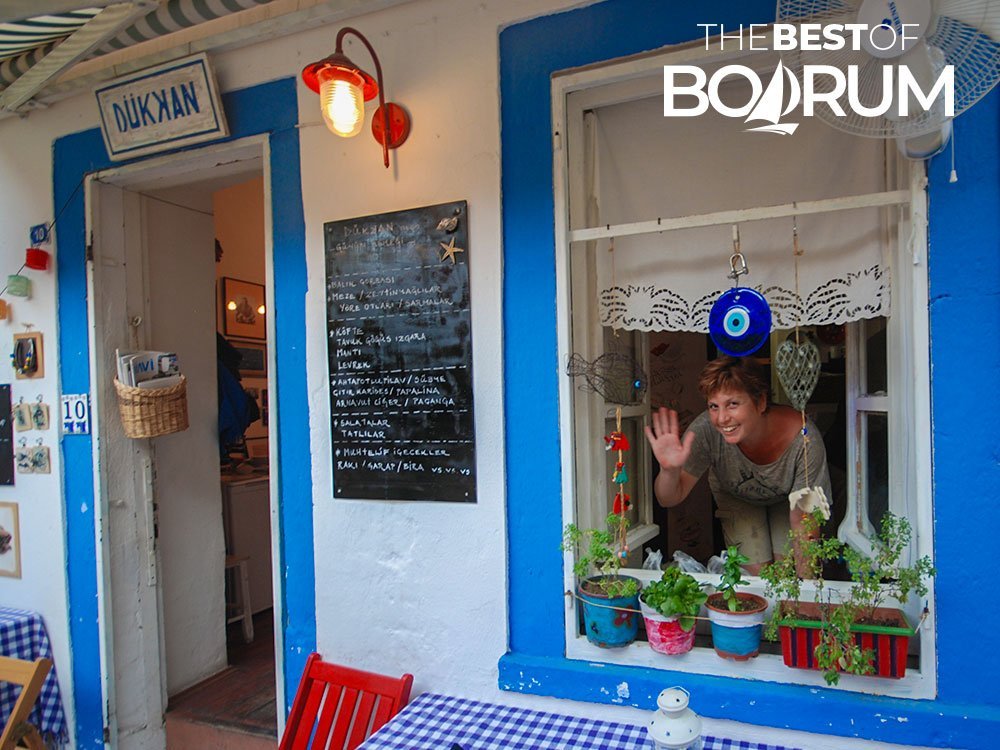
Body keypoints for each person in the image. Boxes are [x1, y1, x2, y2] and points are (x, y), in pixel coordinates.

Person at [644, 356, 831, 575]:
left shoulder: (804, 440)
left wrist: (805, 598)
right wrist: (669, 471)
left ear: (760, 402)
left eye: (732, 404)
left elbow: (804, 521)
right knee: (758, 578)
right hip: (737, 497)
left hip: (789, 502)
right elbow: (668, 498)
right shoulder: (706, 430)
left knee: (786, 573)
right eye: (714, 406)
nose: (722, 418)